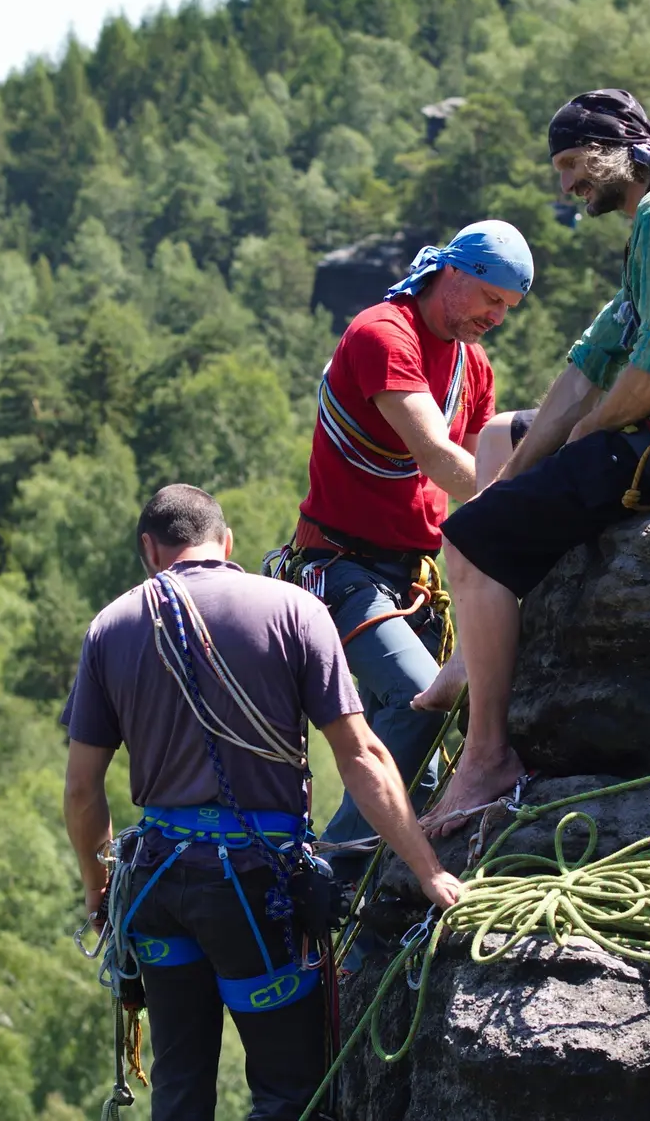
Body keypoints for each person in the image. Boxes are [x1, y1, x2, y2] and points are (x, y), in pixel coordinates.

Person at [416, 88, 650, 832]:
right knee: (502, 439)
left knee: (468, 541)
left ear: (614, 148)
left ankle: (487, 757)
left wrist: (586, 435)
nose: (566, 186)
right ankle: (474, 653)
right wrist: (512, 481)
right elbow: (590, 366)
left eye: (571, 164)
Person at [63, 484, 463, 1121]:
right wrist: (428, 869)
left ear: (150, 550)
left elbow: (83, 790)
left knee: (178, 1089)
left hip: (157, 886)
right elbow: (362, 756)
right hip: (254, 887)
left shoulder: (110, 627)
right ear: (227, 544)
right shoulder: (294, 611)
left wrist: (97, 891)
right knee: (290, 1096)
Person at [275, 220, 532, 858]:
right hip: (342, 567)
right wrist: (533, 510)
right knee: (420, 702)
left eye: (508, 307)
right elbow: (441, 459)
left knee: (432, 748)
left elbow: (477, 473)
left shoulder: (472, 366)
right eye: (491, 299)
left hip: (413, 576)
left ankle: (387, 874)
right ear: (454, 274)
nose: (497, 318)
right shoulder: (384, 336)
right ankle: (337, 870)